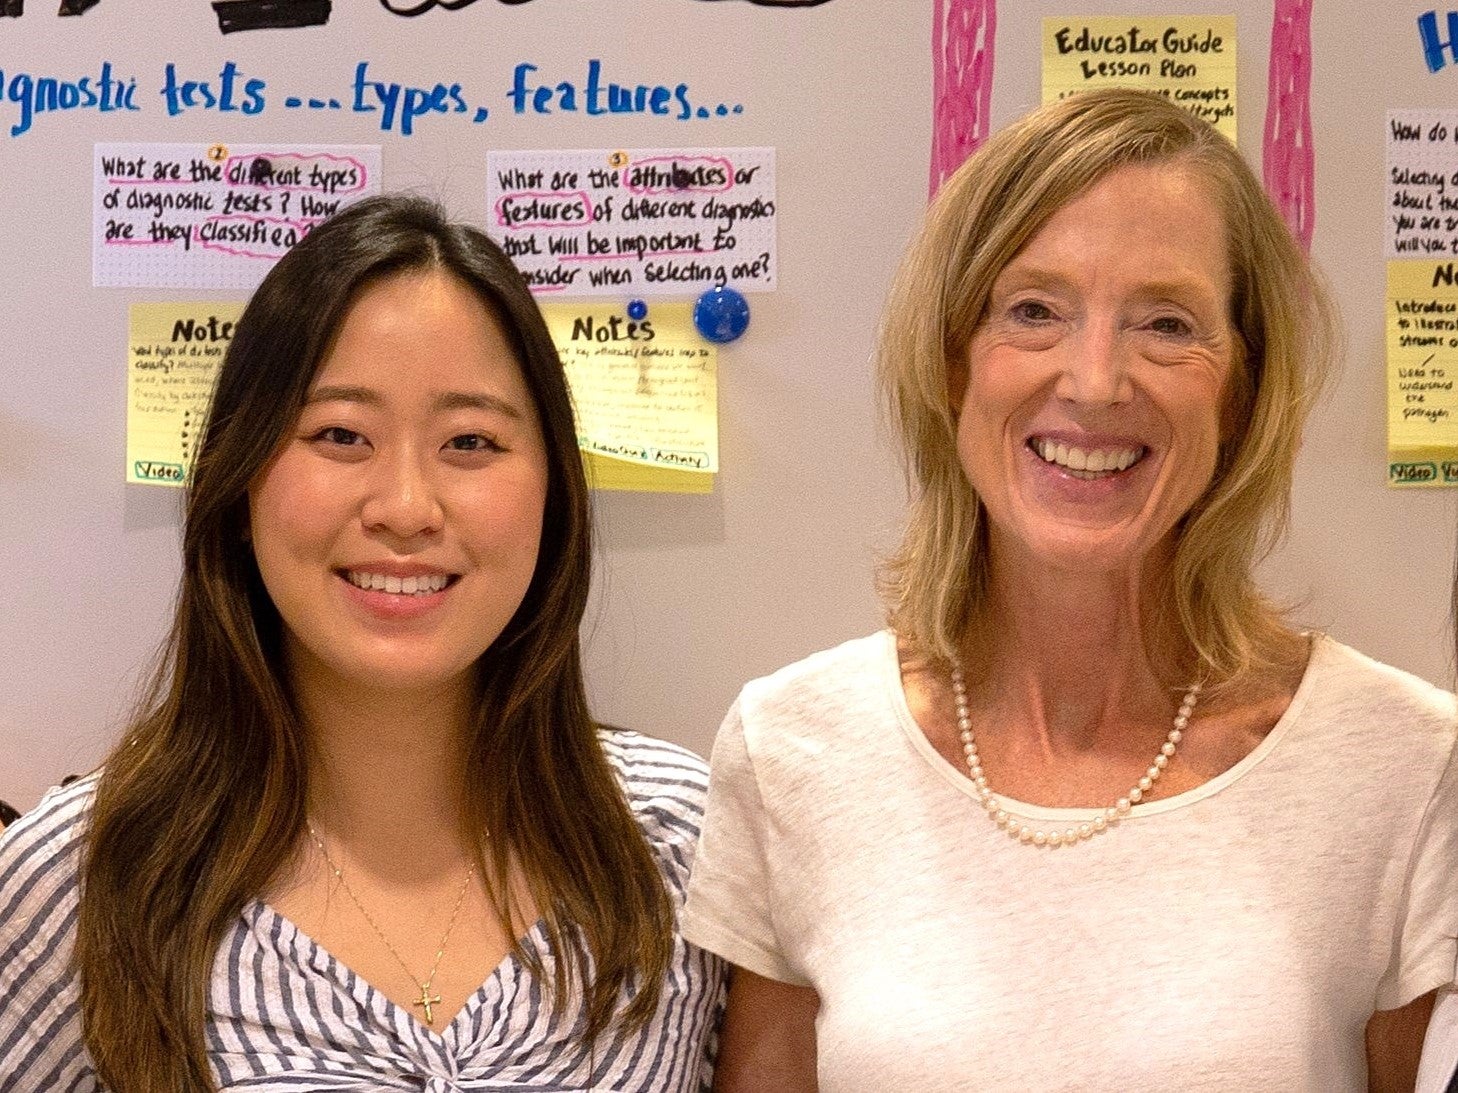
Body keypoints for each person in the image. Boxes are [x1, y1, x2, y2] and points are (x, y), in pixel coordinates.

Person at [682, 88, 1458, 1091]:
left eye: (1167, 323)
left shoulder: (1403, 764)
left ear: (1242, 388)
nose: (1095, 380)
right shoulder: (789, 751)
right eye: (1033, 310)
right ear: (953, 363)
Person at [0, 194, 723, 1091]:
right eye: (340, 434)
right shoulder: (80, 875)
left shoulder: (679, 839)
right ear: (241, 476)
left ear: (553, 492)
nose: (407, 508)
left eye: (471, 440)